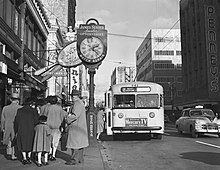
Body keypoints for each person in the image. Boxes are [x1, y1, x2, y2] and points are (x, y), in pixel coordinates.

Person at [65, 89, 89, 165]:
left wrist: (67, 118)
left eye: (72, 96)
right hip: (80, 127)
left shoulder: (77, 104)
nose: (72, 98)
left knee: (75, 144)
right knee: (80, 145)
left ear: (74, 96)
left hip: (76, 127)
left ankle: (74, 160)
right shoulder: (81, 103)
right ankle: (80, 159)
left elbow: (75, 115)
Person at [14, 97, 39, 165]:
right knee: (30, 143)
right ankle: (29, 157)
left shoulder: (19, 110)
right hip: (31, 129)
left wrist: (16, 130)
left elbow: (17, 121)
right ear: (31, 103)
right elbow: (36, 121)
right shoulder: (34, 111)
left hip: (21, 129)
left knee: (22, 143)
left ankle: (24, 158)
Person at [1, 93, 22, 160]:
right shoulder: (20, 108)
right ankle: (13, 154)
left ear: (10, 99)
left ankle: (8, 152)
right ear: (17, 100)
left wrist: (2, 127)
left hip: (7, 125)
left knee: (8, 139)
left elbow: (2, 119)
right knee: (14, 140)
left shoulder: (5, 108)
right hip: (16, 126)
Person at [46, 95, 67, 161]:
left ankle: (49, 153)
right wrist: (63, 127)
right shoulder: (59, 108)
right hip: (57, 127)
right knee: (55, 142)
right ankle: (53, 155)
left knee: (49, 141)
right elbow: (62, 118)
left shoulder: (47, 108)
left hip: (48, 126)